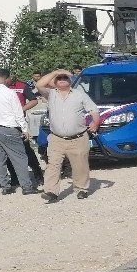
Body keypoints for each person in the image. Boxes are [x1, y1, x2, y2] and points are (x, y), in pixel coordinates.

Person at [36, 69, 101, 202]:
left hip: (78, 137)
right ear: (54, 82)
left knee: (80, 165)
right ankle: (50, 191)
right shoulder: (50, 94)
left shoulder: (80, 95)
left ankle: (81, 188)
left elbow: (93, 109)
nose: (62, 79)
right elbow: (39, 84)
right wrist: (56, 72)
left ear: (70, 80)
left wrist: (96, 123)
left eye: (65, 77)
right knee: (53, 165)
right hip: (56, 138)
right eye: (59, 78)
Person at [6, 72, 45, 184]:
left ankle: (38, 173)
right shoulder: (1, 89)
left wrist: (22, 109)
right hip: (5, 122)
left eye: (12, 76)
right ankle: (14, 177)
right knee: (7, 152)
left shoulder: (21, 86)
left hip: (18, 122)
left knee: (26, 150)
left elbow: (34, 100)